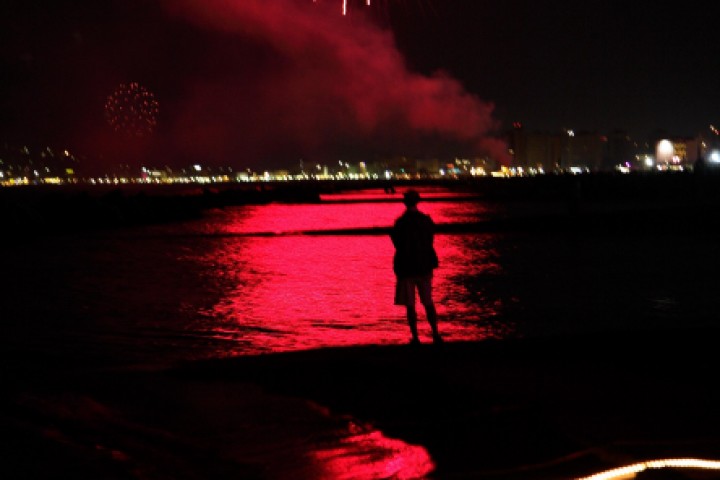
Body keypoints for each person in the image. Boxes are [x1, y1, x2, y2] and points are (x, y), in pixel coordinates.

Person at [390, 189, 442, 345]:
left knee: (410, 305)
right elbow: (430, 240)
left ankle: (415, 337)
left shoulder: (401, 223)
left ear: (405, 203)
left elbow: (396, 243)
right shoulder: (426, 221)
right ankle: (435, 334)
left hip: (406, 268)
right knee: (428, 302)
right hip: (424, 266)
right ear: (417, 202)